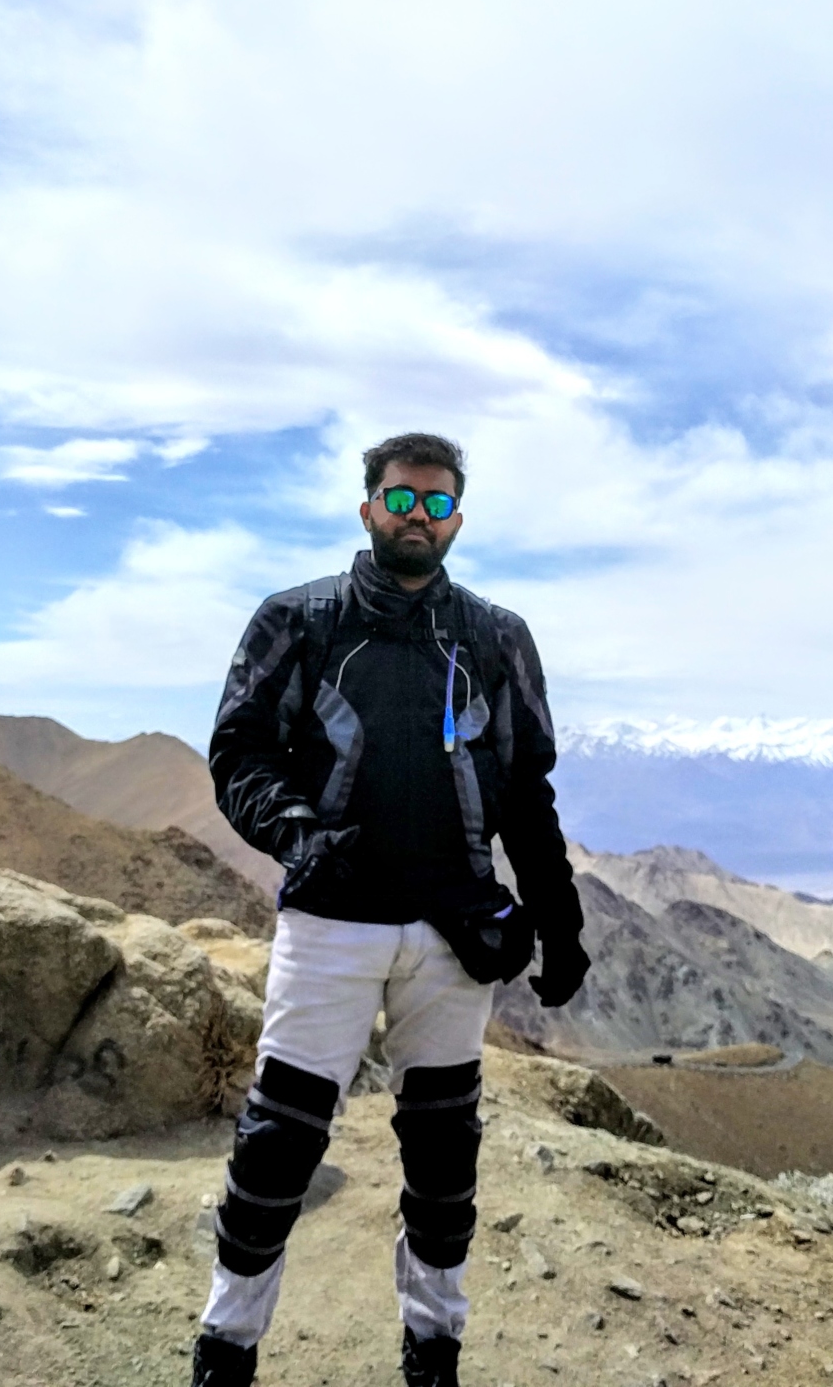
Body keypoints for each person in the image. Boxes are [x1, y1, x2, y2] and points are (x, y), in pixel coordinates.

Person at [191, 432, 590, 1387]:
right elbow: (239, 751)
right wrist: (296, 832)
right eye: (401, 499)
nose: (418, 517)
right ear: (368, 506)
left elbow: (526, 792)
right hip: (331, 919)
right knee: (280, 1142)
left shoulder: (496, 637)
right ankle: (226, 1348)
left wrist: (560, 919)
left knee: (445, 1153)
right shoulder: (298, 621)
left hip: (455, 935)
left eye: (436, 503)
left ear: (458, 519)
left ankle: (434, 1349)